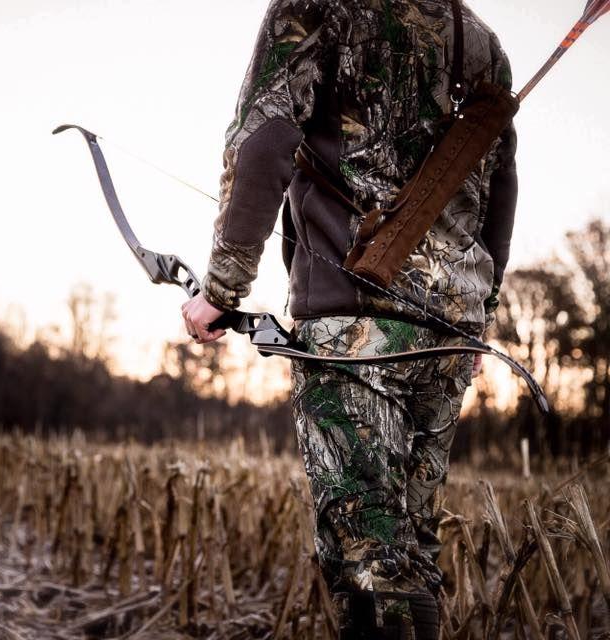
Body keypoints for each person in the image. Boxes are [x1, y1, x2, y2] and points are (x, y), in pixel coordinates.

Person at [180, 1, 518, 638]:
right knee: (412, 556)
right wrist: (481, 318)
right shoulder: (481, 40)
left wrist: (222, 288)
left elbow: (266, 139)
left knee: (372, 565)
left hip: (353, 328)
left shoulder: (316, 7)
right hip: (448, 336)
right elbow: (500, 191)